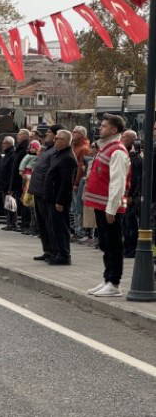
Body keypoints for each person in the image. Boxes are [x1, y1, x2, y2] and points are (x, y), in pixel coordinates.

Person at [85, 114, 130, 297]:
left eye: (103, 126)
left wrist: (111, 208)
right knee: (105, 243)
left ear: (113, 130)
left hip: (108, 207)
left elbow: (117, 183)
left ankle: (114, 282)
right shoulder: (106, 148)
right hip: (100, 204)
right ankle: (107, 278)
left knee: (113, 245)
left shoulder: (117, 151)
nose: (99, 128)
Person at [29, 125, 64, 261]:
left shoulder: (55, 151)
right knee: (42, 224)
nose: (46, 135)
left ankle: (55, 251)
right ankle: (47, 250)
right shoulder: (46, 150)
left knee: (50, 225)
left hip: (46, 193)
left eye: (49, 133)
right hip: (38, 191)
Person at [44, 130, 77, 265]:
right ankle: (57, 252)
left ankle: (64, 255)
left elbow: (66, 183)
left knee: (61, 228)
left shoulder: (67, 158)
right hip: (52, 197)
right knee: (54, 227)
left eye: (58, 139)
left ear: (65, 141)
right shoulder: (58, 155)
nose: (55, 140)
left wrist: (60, 201)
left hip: (59, 199)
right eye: (55, 138)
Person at [121, 129, 141, 258]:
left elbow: (136, 179)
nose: (122, 139)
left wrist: (131, 196)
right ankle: (127, 247)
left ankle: (131, 249)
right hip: (124, 194)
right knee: (125, 222)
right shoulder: (125, 155)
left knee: (130, 222)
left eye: (125, 137)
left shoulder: (135, 159)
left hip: (130, 196)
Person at [71, 126, 91, 242]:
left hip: (77, 182)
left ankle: (79, 231)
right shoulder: (74, 146)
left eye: (76, 132)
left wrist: (76, 182)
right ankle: (76, 230)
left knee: (77, 208)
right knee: (74, 208)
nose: (73, 134)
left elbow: (80, 168)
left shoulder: (83, 148)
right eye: (73, 132)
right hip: (73, 180)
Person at [9, 129, 30, 231]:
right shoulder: (19, 148)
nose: (17, 136)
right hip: (17, 180)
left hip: (21, 180)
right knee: (18, 203)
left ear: (25, 136)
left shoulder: (25, 148)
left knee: (23, 203)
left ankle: (25, 224)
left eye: (19, 135)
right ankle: (22, 223)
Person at [0, 136, 17, 230]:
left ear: (9, 144)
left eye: (4, 143)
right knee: (7, 205)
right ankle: (9, 223)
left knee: (10, 205)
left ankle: (12, 223)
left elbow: (11, 172)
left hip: (8, 185)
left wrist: (11, 187)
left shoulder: (12, 155)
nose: (2, 145)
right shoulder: (6, 154)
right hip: (4, 184)